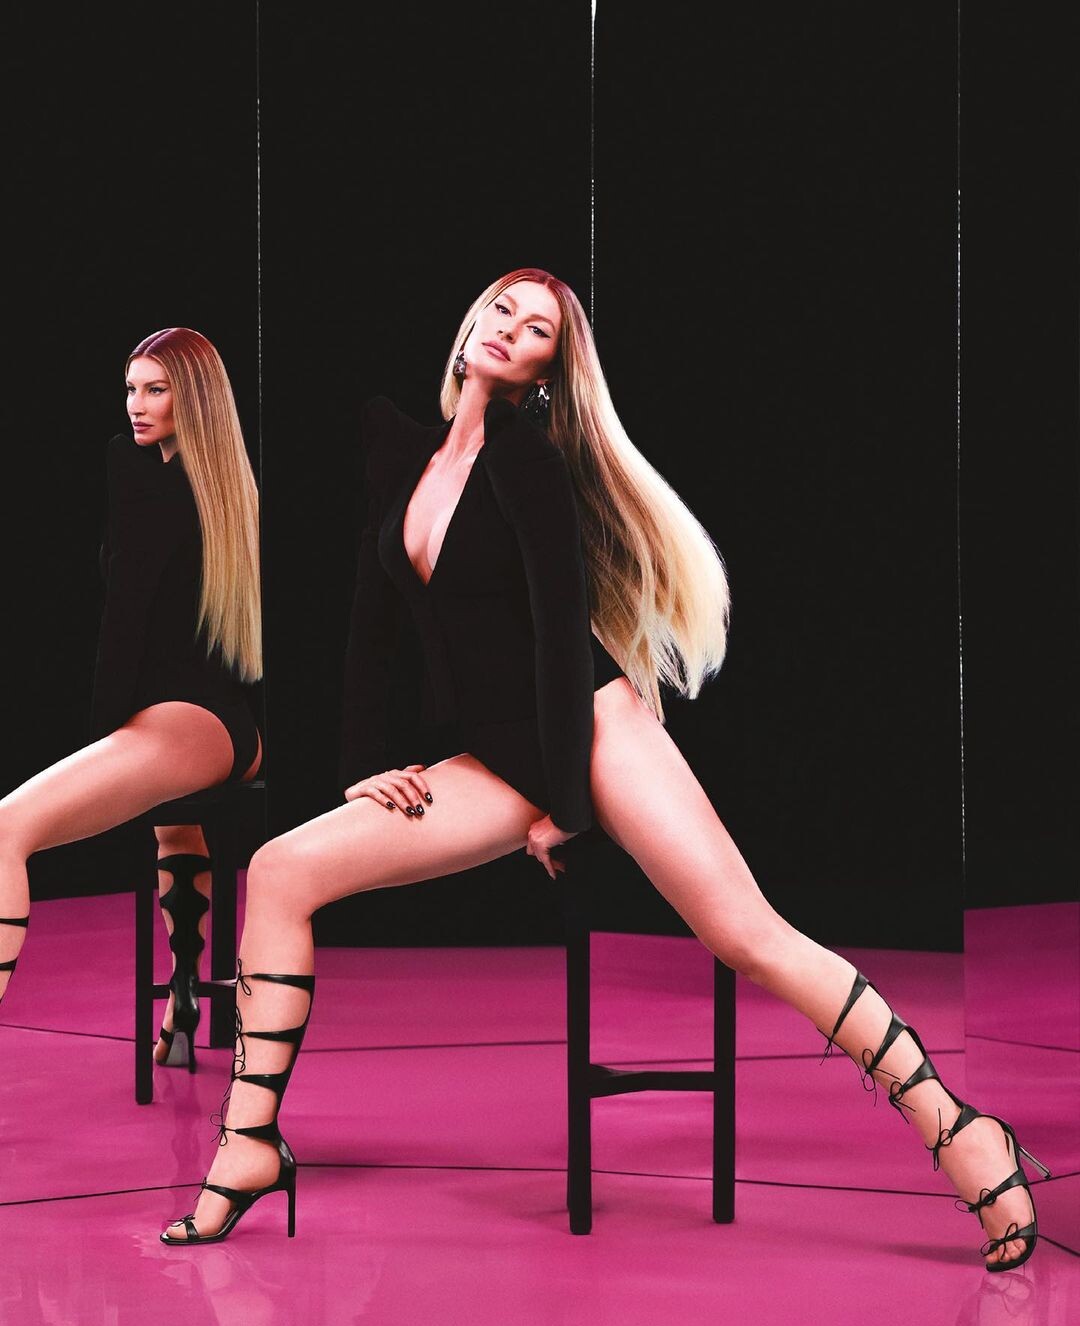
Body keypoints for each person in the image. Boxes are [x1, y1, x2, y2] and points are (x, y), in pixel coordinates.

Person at [161, 271, 1047, 1272]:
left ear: (548, 369)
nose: (509, 330)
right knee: (281, 869)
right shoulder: (398, 449)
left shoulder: (528, 460)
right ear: (472, 320)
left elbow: (557, 643)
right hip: (500, 756)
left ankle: (962, 1131)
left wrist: (570, 810)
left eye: (536, 328)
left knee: (748, 935)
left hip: (591, 728)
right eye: (502, 308)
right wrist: (365, 767)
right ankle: (250, 1145)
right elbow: (371, 631)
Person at [0, 326, 263, 1073]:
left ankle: (181, 1001)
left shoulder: (138, 475)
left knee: (5, 828)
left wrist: (103, 736)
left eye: (156, 388)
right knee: (176, 833)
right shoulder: (234, 493)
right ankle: (182, 1003)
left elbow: (125, 617)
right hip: (229, 726)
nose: (136, 406)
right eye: (130, 389)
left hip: (183, 719)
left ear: (195, 399)